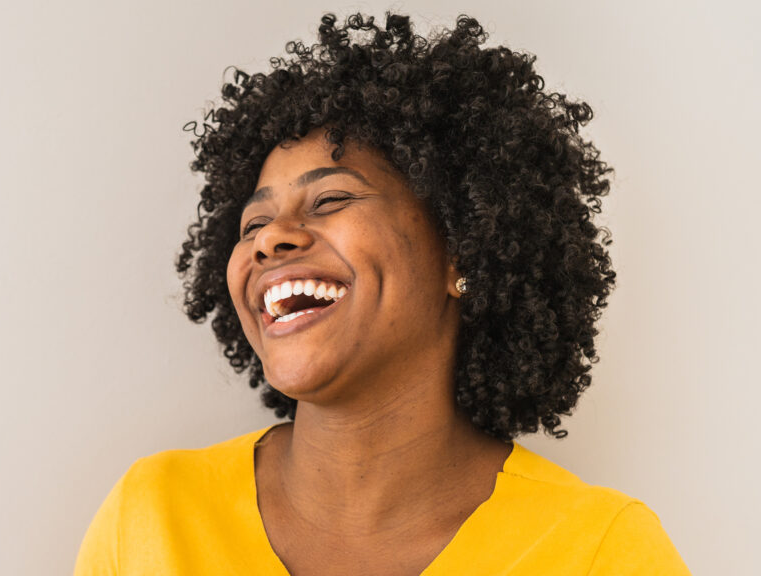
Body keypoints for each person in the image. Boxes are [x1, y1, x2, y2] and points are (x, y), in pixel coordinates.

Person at [75, 12, 690, 575]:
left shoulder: (599, 550)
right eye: (252, 224)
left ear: (461, 248)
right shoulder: (151, 518)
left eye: (330, 199)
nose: (269, 240)